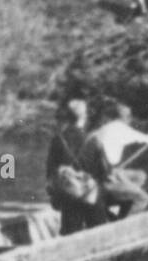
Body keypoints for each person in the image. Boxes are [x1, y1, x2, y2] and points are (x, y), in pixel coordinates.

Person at [80, 101, 148, 219]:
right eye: (129, 116)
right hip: (106, 181)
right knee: (144, 199)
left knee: (140, 176)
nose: (130, 119)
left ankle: (122, 205)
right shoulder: (121, 129)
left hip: (100, 176)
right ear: (125, 118)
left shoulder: (103, 129)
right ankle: (125, 222)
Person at [46, 100, 109, 234]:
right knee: (99, 230)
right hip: (90, 194)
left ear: (67, 117)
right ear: (84, 117)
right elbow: (105, 172)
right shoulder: (93, 140)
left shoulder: (57, 140)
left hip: (69, 196)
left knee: (70, 232)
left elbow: (50, 172)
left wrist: (55, 195)